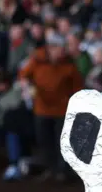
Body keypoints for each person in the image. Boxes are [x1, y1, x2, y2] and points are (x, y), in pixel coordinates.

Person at [19, 33, 83, 182]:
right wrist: (26, 87)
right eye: (60, 48)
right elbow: (23, 75)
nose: (63, 51)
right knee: (45, 141)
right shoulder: (37, 60)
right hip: (42, 109)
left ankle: (62, 172)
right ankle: (49, 170)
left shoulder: (70, 64)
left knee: (62, 143)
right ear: (51, 48)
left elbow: (78, 87)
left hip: (62, 110)